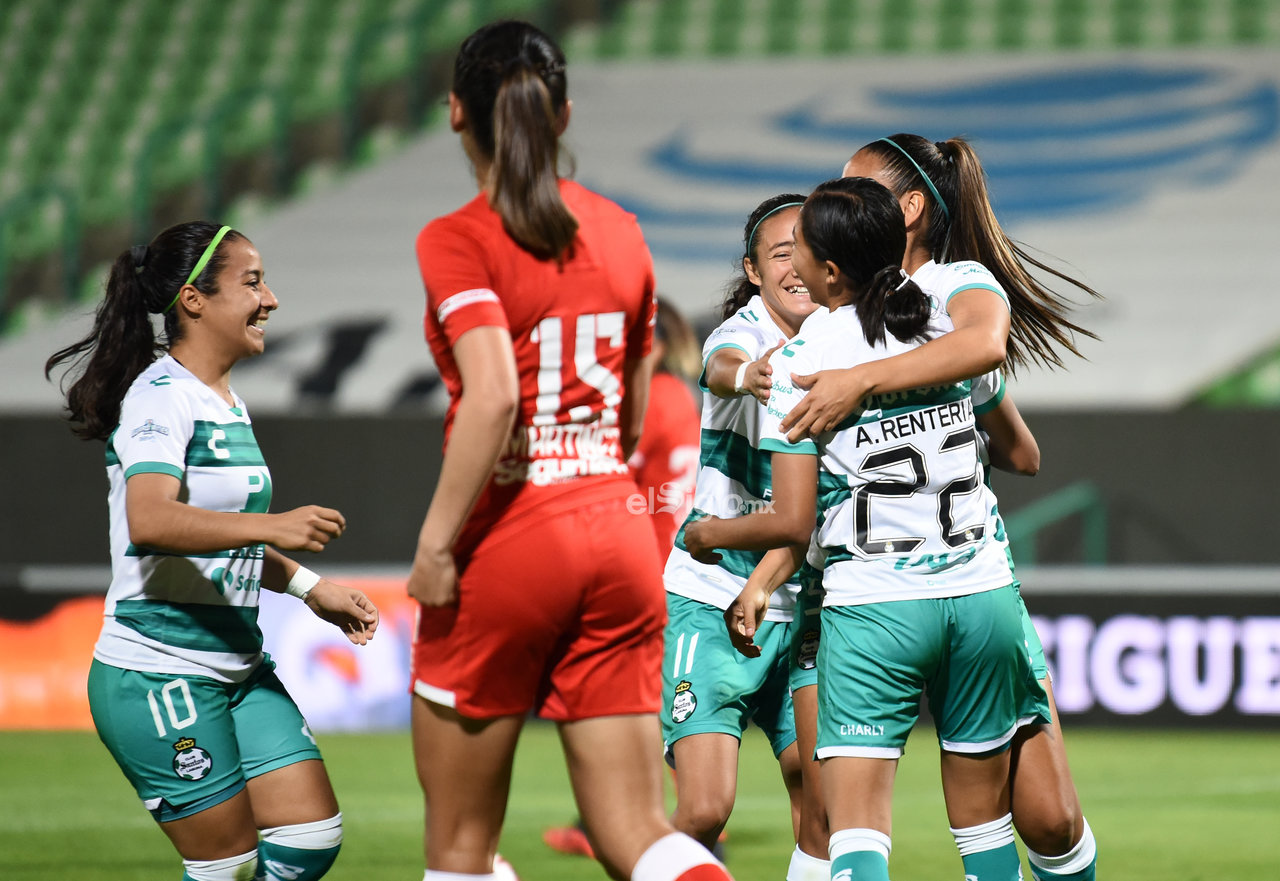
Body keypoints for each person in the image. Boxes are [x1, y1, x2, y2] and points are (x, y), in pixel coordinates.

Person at [406, 21, 734, 881]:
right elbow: (632, 408)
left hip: (511, 536)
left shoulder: (459, 238)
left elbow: (496, 395)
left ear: (455, 114)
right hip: (617, 532)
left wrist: (437, 544)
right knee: (641, 835)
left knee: (460, 851)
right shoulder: (621, 230)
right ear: (563, 116)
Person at [686, 176, 1053, 881]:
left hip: (874, 606)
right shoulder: (949, 321)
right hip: (981, 595)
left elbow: (792, 520)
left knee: (854, 837)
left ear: (827, 269)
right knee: (986, 833)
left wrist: (707, 536)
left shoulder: (802, 360)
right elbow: (1018, 445)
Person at [777, 134, 1099, 881]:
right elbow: (1017, 447)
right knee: (972, 816)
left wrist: (863, 388)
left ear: (909, 208)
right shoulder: (875, 329)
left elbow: (985, 347)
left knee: (1049, 818)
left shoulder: (953, 289)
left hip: (923, 591)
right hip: (937, 587)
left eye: (856, 188)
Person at [44, 221, 380, 881]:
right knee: (227, 868)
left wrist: (314, 588)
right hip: (158, 670)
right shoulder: (159, 397)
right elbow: (151, 519)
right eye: (252, 283)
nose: (271, 299)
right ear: (194, 300)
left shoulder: (225, 402)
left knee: (311, 836)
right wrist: (270, 527)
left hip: (235, 663)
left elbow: (224, 533)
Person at [657, 194, 820, 878]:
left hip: (802, 606)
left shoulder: (842, 340)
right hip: (714, 595)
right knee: (703, 810)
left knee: (825, 806)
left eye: (807, 250)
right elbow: (716, 364)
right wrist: (750, 376)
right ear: (753, 271)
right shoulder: (746, 335)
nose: (797, 265)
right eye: (780, 253)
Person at [544, 295, 702, 861]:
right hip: (680, 568)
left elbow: (607, 481)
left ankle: (666, 820)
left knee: (636, 708)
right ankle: (617, 817)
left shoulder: (645, 402)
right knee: (663, 705)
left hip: (645, 568)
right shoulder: (681, 396)